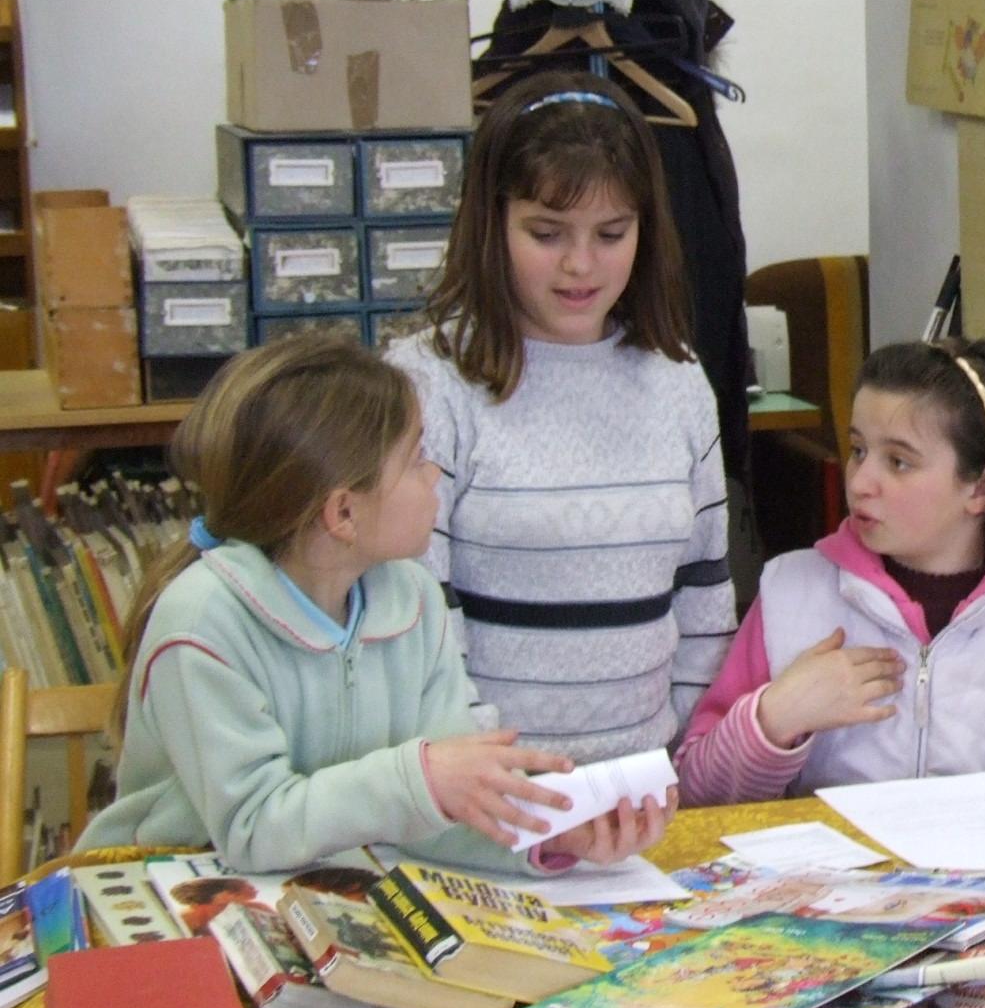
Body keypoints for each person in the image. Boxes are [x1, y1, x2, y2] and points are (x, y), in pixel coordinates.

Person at [78, 338, 672, 873]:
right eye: (415, 459)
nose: (434, 473)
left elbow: (434, 811)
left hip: (321, 899)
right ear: (343, 513)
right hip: (161, 900)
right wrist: (419, 779)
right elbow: (253, 826)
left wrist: (548, 833)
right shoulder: (203, 621)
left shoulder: (412, 597)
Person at [388, 71, 735, 763]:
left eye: (611, 233)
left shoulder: (678, 380)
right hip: (487, 784)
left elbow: (704, 598)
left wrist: (677, 758)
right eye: (546, 233)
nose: (581, 264)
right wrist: (489, 769)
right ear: (493, 225)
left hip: (642, 784)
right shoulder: (431, 382)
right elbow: (417, 612)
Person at [677, 338, 985, 812]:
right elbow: (697, 795)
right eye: (858, 450)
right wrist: (774, 718)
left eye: (898, 462)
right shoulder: (790, 595)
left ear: (982, 488)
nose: (859, 482)